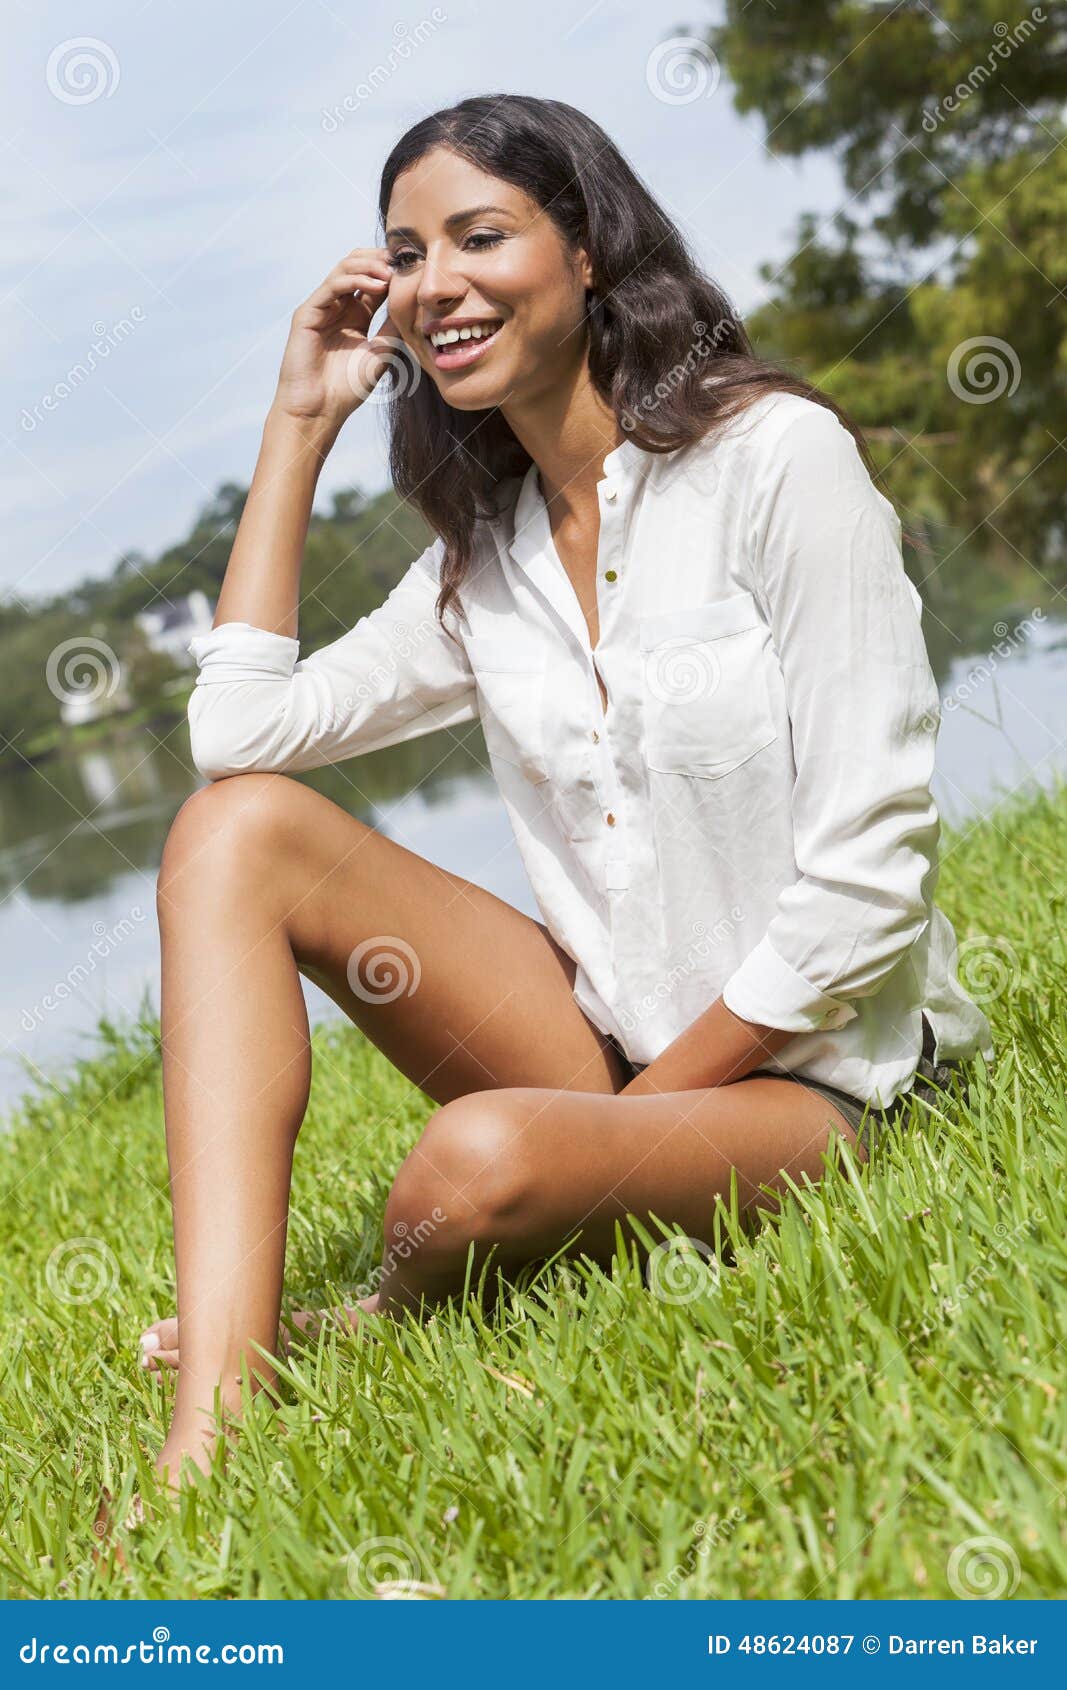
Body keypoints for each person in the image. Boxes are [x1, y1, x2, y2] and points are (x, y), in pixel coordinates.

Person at [139, 94, 994, 1489]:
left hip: (813, 1076)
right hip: (596, 1051)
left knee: (470, 1164)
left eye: (481, 234)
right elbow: (239, 735)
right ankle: (218, 1414)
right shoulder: (488, 555)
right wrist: (299, 425)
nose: (437, 284)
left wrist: (632, 1119)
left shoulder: (775, 462)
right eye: (407, 255)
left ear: (588, 246)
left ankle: (360, 1319)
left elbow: (866, 884)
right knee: (234, 832)